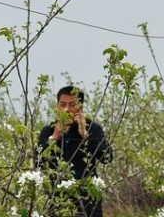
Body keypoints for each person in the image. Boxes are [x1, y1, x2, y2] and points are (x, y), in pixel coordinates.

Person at [37, 85, 114, 217]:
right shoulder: (48, 130)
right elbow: (38, 161)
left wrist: (85, 135)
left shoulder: (93, 129)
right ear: (57, 107)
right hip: (57, 199)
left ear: (80, 107)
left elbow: (106, 157)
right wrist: (55, 137)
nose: (67, 109)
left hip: (88, 200)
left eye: (72, 105)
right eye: (62, 104)